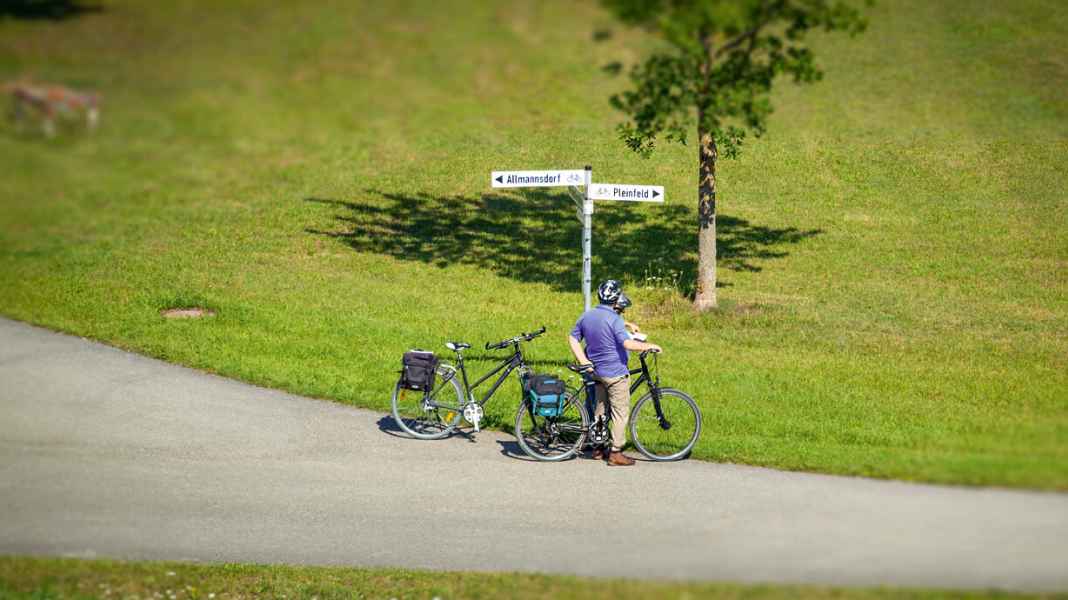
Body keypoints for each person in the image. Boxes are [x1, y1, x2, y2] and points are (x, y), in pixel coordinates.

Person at [568, 280, 661, 466]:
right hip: (615, 373)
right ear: (615, 298)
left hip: (596, 371)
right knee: (620, 412)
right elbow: (627, 344)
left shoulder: (588, 316)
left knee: (600, 409)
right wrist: (648, 345)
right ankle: (616, 453)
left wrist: (584, 361)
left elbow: (573, 337)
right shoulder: (615, 319)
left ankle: (598, 447)